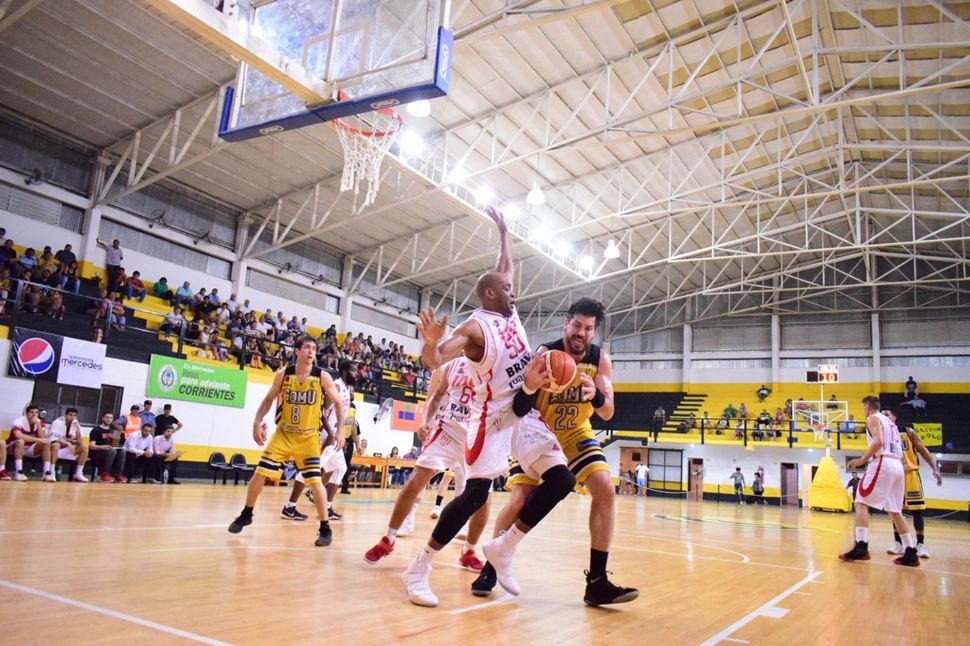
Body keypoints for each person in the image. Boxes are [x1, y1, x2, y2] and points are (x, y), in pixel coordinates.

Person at [401, 206, 574, 608]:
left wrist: (504, 232)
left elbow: (505, 265)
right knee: (474, 497)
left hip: (524, 410)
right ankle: (419, 568)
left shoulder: (508, 308)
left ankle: (504, 548)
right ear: (491, 294)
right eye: (507, 289)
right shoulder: (474, 328)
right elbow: (436, 360)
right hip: (491, 418)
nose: (515, 292)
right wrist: (430, 343)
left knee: (562, 481)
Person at [481, 298, 635, 602]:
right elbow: (520, 405)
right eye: (577, 325)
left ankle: (597, 582)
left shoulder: (600, 360)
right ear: (566, 324)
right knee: (519, 499)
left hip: (575, 432)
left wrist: (596, 396)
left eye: (588, 328)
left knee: (605, 489)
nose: (581, 332)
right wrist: (532, 384)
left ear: (594, 331)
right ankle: (491, 567)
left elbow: (608, 413)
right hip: (538, 432)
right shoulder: (544, 355)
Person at [364, 357, 488, 573]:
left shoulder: (495, 362)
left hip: (477, 438)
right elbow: (436, 396)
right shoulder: (452, 365)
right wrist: (425, 422)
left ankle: (469, 551)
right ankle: (388, 539)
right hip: (447, 433)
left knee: (482, 498)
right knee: (415, 481)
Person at [228, 336, 345, 547]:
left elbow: (338, 404)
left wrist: (340, 432)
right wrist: (257, 421)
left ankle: (325, 528)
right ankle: (247, 513)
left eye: (314, 348)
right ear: (297, 351)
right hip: (283, 434)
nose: (311, 351)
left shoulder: (322, 376)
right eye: (307, 347)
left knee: (315, 481)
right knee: (259, 473)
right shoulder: (283, 375)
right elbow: (268, 399)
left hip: (308, 436)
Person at [839, 396, 919, 566]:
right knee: (895, 511)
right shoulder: (890, 422)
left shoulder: (872, 418)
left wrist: (862, 460)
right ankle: (911, 552)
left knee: (861, 502)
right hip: (898, 465)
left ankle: (861, 546)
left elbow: (879, 441)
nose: (863, 411)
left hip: (883, 462)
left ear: (868, 407)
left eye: (863, 408)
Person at [885, 410, 942, 559]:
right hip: (894, 475)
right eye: (883, 415)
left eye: (888, 414)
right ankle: (898, 543)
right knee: (895, 511)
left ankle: (920, 544)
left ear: (895, 417)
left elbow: (922, 449)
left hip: (910, 474)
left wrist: (934, 468)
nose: (885, 417)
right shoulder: (882, 434)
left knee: (917, 511)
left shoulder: (907, 431)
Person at [9, 403, 58, 481]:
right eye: (32, 412)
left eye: (36, 413)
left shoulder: (39, 422)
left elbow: (43, 438)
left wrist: (38, 424)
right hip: (13, 447)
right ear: (27, 413)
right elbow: (19, 436)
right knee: (20, 442)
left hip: (30, 449)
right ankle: (19, 472)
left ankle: (46, 473)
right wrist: (38, 440)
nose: (34, 414)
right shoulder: (19, 421)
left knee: (46, 443)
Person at [47, 408, 89, 482]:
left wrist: (77, 429)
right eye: (70, 415)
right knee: (56, 445)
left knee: (85, 447)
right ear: (65, 415)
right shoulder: (58, 422)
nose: (72, 417)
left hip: (68, 449)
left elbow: (80, 441)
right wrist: (67, 442)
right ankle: (51, 472)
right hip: (55, 449)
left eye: (74, 415)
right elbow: (53, 439)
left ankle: (78, 473)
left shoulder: (75, 424)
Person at [89, 411, 126, 482]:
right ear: (103, 418)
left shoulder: (111, 430)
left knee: (122, 451)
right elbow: (91, 446)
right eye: (107, 417)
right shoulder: (96, 430)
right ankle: (105, 474)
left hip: (109, 452)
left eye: (111, 418)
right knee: (112, 451)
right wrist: (103, 447)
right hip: (97, 452)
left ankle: (118, 474)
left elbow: (117, 438)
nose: (109, 419)